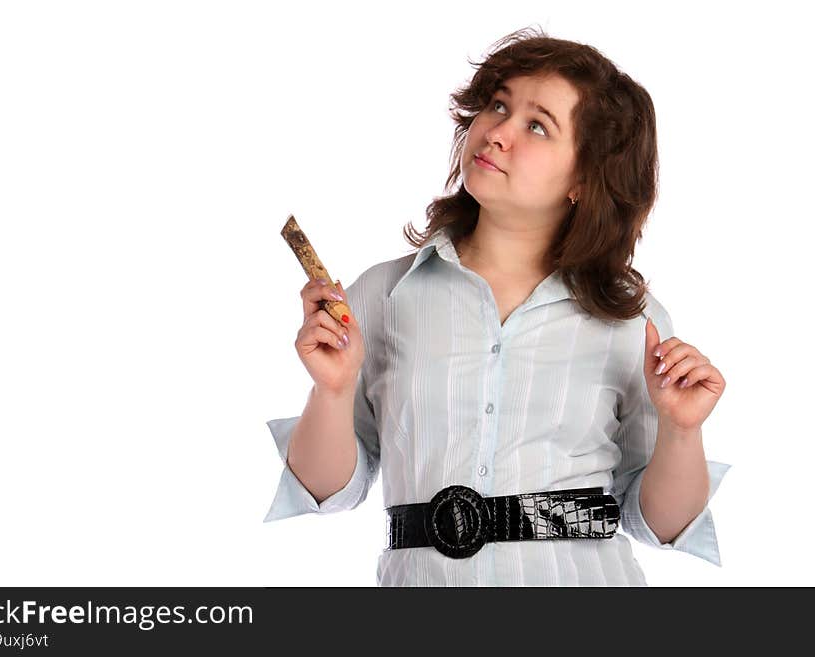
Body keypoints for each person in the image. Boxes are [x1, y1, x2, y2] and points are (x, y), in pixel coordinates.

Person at [263, 27, 730, 586]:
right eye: (497, 105)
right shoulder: (383, 295)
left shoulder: (634, 321)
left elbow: (662, 524)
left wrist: (682, 431)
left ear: (584, 178)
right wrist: (332, 391)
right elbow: (324, 491)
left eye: (537, 125)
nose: (498, 131)